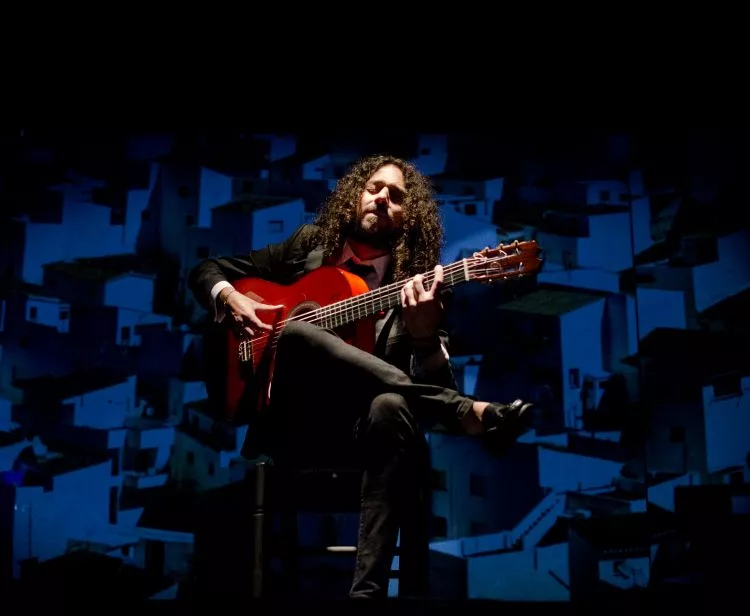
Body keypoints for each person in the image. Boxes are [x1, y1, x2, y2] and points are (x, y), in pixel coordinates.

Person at [187, 154, 533, 600]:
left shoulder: (419, 285)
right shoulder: (306, 248)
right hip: (290, 425)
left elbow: (432, 389)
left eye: (397, 196)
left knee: (392, 406)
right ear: (355, 197)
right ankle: (471, 414)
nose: (383, 199)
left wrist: (426, 339)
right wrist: (232, 299)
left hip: (358, 435)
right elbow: (206, 271)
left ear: (412, 216)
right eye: (374, 189)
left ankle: (367, 596)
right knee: (295, 331)